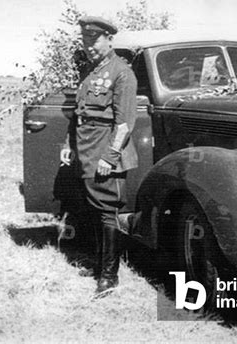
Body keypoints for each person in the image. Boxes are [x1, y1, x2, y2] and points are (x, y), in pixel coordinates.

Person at [60, 16, 138, 295]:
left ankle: (109, 275)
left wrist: (110, 156)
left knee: (108, 213)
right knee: (94, 210)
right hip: (86, 152)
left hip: (106, 153)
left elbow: (125, 122)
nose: (89, 45)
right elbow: (80, 115)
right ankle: (98, 263)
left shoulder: (122, 73)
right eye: (85, 40)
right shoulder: (91, 73)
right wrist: (68, 144)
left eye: (94, 39)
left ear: (109, 40)